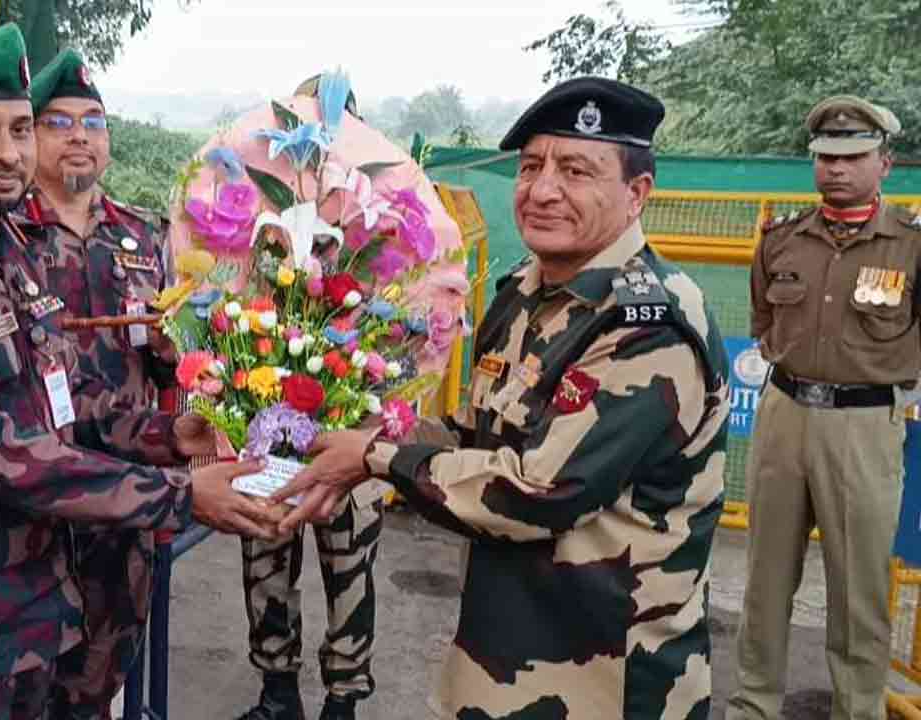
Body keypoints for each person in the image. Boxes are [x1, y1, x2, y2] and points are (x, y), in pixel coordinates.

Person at [0, 24, 282, 720]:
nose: (8, 152)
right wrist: (180, 495)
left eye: (19, 129)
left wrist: (171, 434)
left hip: (30, 614)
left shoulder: (7, 253)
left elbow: (63, 402)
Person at [274, 77, 728, 718]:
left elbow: (540, 491)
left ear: (637, 193)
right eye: (531, 166)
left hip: (607, 681)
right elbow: (482, 434)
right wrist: (369, 431)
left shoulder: (645, 324)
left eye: (576, 171)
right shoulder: (525, 290)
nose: (542, 190)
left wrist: (374, 459)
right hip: (508, 656)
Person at [727, 96, 919, 720]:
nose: (836, 168)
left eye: (853, 156)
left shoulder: (910, 246)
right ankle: (753, 705)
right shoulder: (781, 239)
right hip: (784, 416)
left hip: (864, 426)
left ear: (884, 163)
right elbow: (763, 321)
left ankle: (857, 710)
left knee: (859, 590)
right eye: (825, 156)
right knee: (766, 580)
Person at [18, 47, 180, 720]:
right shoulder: (3, 235)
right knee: (26, 682)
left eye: (92, 121)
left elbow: (172, 363)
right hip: (33, 496)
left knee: (103, 670)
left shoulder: (144, 235)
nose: (79, 135)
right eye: (58, 122)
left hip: (128, 490)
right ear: (29, 136)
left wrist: (176, 353)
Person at [228, 74, 383, 720]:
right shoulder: (263, 218)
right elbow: (233, 306)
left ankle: (343, 699)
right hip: (270, 424)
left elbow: (407, 327)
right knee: (266, 549)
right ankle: (278, 692)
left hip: (354, 425)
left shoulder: (381, 216)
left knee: (350, 566)